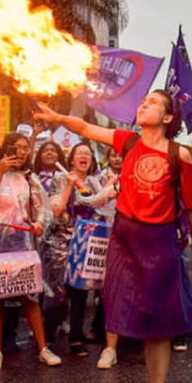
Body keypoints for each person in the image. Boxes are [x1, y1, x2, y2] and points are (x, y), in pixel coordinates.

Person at [35, 90, 192, 383]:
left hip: (159, 242)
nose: (143, 104)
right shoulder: (127, 141)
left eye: (153, 102)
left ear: (169, 117)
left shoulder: (181, 155)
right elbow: (84, 126)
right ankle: (110, 351)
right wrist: (58, 119)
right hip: (125, 237)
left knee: (158, 327)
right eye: (143, 101)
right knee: (123, 308)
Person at [0, 133, 62, 371]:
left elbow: (43, 209)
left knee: (29, 296)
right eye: (18, 147)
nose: (23, 152)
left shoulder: (30, 178)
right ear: (6, 148)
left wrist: (40, 223)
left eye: (26, 148)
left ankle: (43, 349)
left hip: (21, 243)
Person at [44, 142, 112, 360]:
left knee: (82, 291)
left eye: (88, 154)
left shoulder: (93, 181)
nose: (84, 157)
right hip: (61, 243)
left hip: (85, 243)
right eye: (79, 154)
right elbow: (56, 210)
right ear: (71, 158)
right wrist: (68, 186)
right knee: (59, 294)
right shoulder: (60, 178)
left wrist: (110, 187)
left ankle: (76, 337)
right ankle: (46, 336)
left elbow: (101, 205)